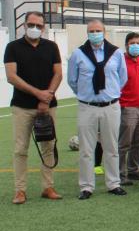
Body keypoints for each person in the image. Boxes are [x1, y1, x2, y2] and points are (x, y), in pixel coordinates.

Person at [4, 11, 63, 204]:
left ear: (43, 28)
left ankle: (48, 187)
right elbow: (11, 77)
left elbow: (58, 74)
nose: (35, 28)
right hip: (22, 106)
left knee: (48, 146)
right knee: (21, 149)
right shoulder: (12, 47)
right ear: (23, 25)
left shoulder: (51, 46)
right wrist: (39, 94)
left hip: (48, 106)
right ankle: (20, 190)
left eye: (39, 26)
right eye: (31, 24)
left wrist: (46, 98)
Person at [68, 19, 129, 199]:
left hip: (110, 105)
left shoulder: (116, 53)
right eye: (91, 31)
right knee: (86, 149)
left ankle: (113, 184)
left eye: (98, 30)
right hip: (87, 107)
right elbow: (72, 80)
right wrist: (87, 94)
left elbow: (122, 78)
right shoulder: (78, 54)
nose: (95, 34)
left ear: (104, 32)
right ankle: (86, 186)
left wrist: (110, 92)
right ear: (87, 33)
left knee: (111, 147)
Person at [118, 32, 139, 185]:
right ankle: (120, 174)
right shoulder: (120, 61)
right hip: (127, 107)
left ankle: (133, 170)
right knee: (124, 143)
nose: (135, 45)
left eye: (138, 43)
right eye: (132, 43)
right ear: (126, 45)